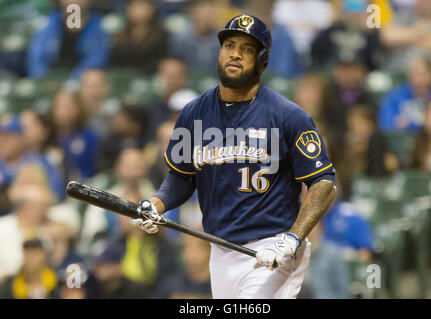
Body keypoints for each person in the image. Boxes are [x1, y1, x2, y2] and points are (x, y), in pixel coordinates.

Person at [130, 14, 336, 299]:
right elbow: (181, 177)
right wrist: (155, 204)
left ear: (262, 62)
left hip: (272, 249)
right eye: (229, 45)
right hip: (219, 247)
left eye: (247, 49)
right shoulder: (193, 113)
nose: (235, 54)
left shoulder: (289, 116)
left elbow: (323, 182)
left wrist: (292, 238)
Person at [26, 0, 109, 79]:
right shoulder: (47, 25)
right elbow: (35, 61)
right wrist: (46, 79)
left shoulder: (99, 28)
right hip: (49, 83)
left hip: (82, 86)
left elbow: (96, 61)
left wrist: (72, 82)